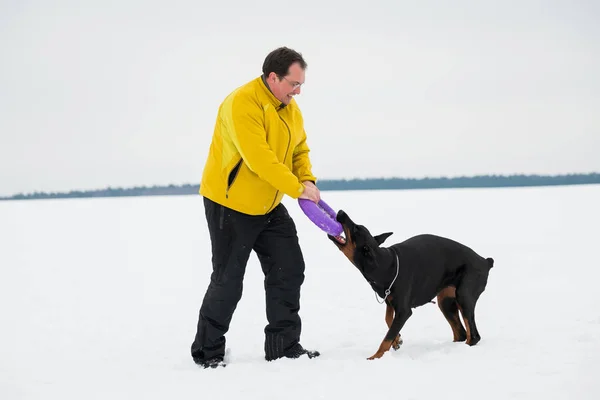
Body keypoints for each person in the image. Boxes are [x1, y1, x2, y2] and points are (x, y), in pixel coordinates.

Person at [191, 47, 322, 368]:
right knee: (228, 280)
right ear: (273, 77)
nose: (298, 91)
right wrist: (297, 190)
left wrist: (307, 179)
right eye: (294, 83)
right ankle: (208, 354)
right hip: (231, 203)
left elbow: (299, 149)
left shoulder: (289, 107)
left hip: (269, 204)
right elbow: (259, 158)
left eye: (301, 84)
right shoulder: (242, 103)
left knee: (289, 268)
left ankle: (283, 346)